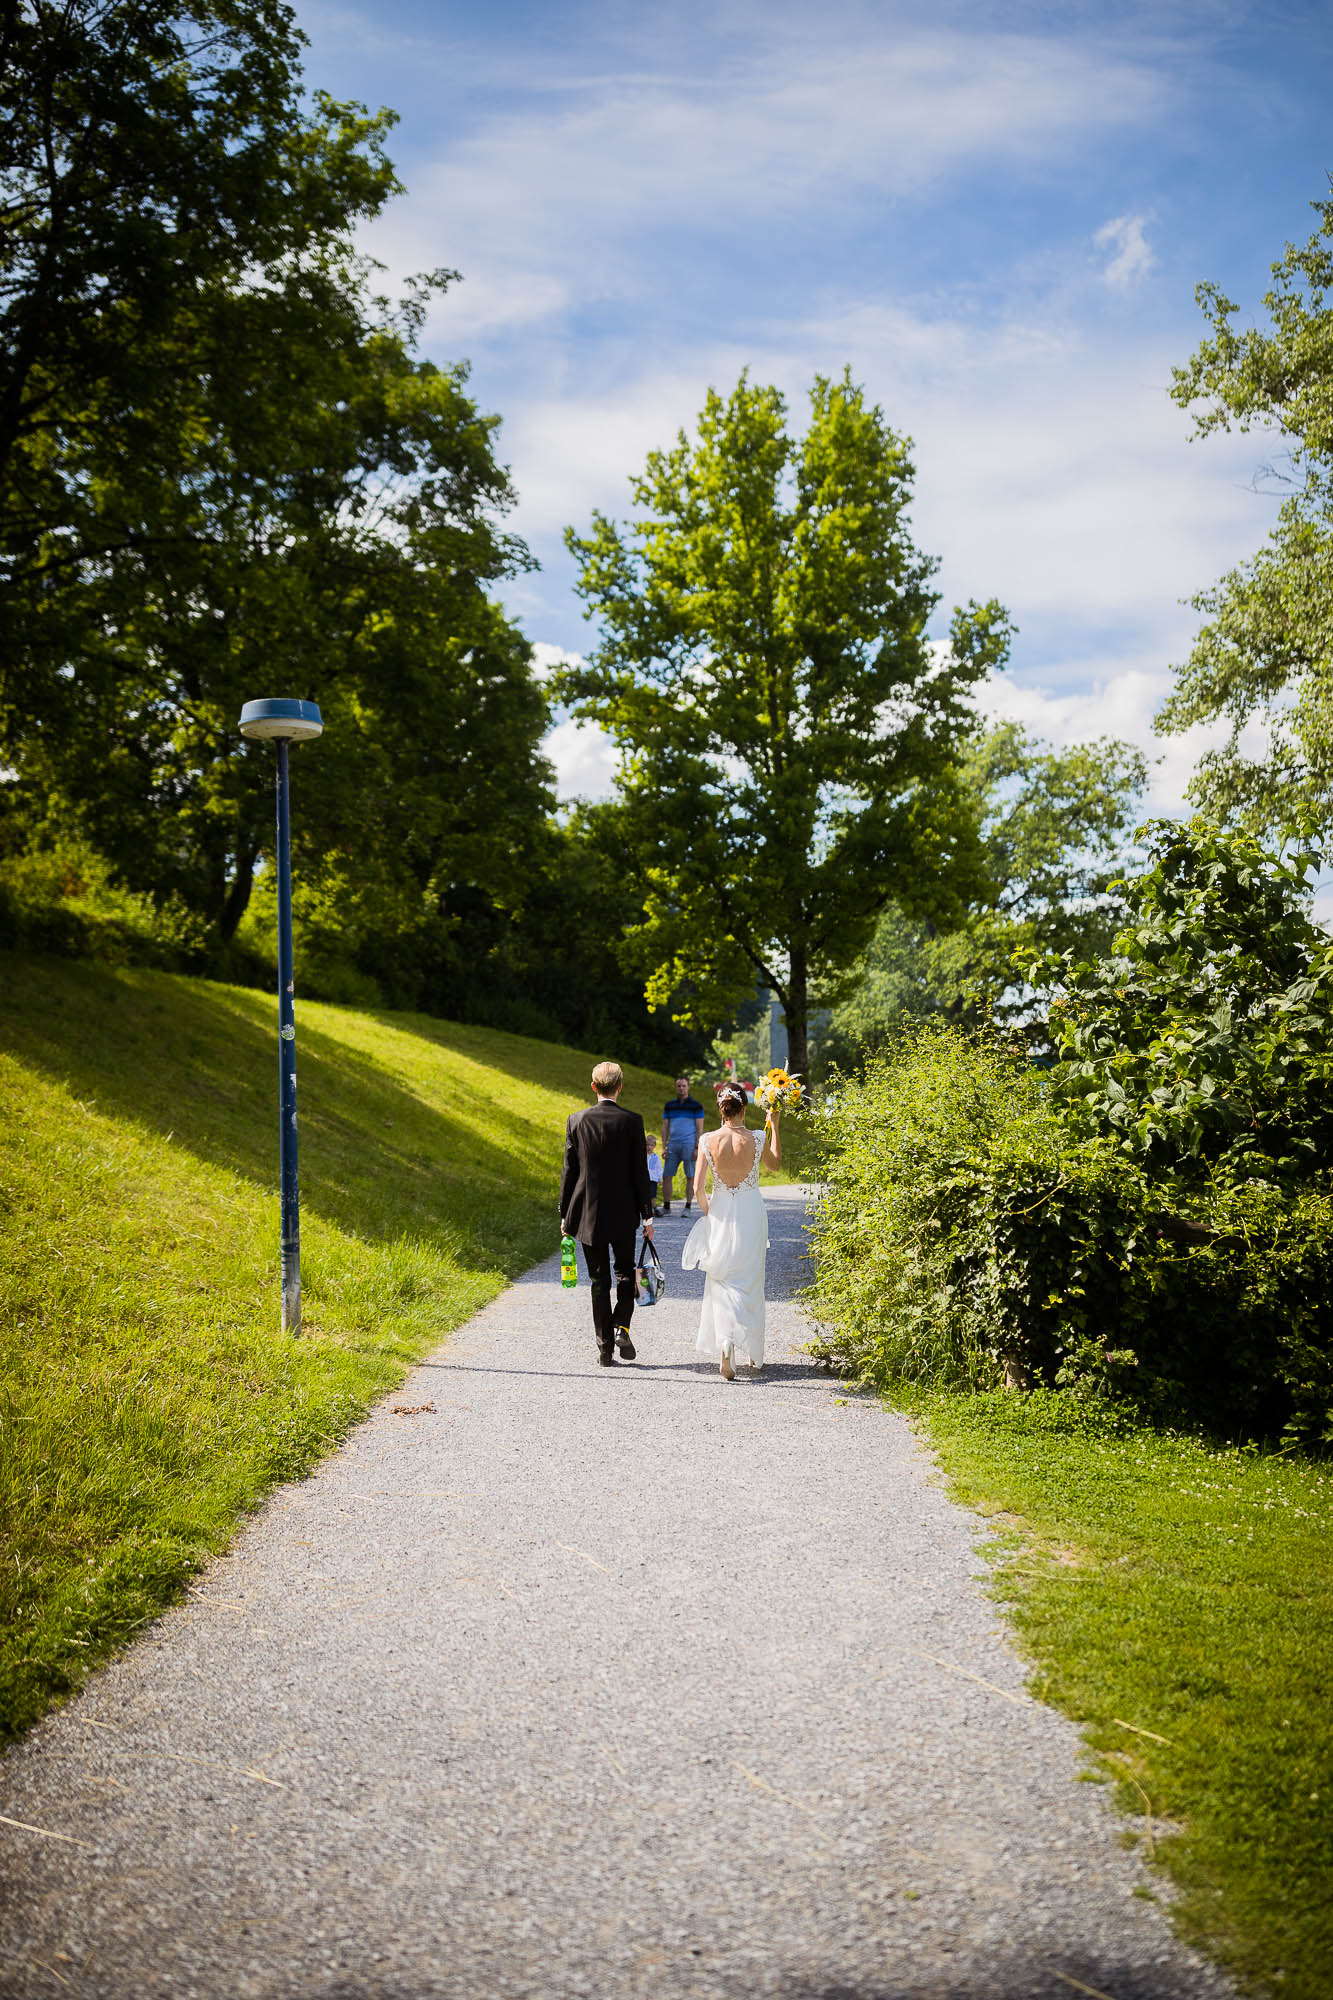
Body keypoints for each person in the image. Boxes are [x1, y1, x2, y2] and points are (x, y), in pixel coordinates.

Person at [559, 1061, 656, 1367]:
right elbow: (640, 1172)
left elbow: (569, 1171)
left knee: (599, 1281)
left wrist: (566, 1214)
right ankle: (622, 1326)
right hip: (624, 1212)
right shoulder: (632, 1121)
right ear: (620, 1087)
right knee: (626, 1273)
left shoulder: (576, 1121)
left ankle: (604, 1349)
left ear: (593, 1087)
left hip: (589, 1213)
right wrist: (647, 1216)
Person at [682, 1083, 782, 1379]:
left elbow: (698, 1187)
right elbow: (775, 1166)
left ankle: (726, 1344)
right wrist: (775, 1125)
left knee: (722, 1279)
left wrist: (708, 1213)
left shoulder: (707, 1140)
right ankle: (754, 1352)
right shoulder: (757, 1137)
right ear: (745, 1108)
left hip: (721, 1212)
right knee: (751, 1280)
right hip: (751, 1212)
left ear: (721, 1109)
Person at [660, 1075, 705, 1214]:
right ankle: (666, 1207)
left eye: (683, 1086)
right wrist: (663, 1146)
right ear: (676, 1087)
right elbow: (665, 1126)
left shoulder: (696, 1106)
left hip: (689, 1144)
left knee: (690, 1176)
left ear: (688, 1087)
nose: (681, 1088)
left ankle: (688, 1206)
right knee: (667, 1175)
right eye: (679, 1086)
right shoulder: (669, 1105)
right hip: (673, 1145)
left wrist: (697, 1147)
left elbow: (699, 1128)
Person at [645, 1131, 664, 1215]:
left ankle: (655, 1208)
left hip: (653, 1179)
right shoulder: (642, 1156)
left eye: (651, 1145)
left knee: (652, 1195)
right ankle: (646, 1210)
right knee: (644, 1195)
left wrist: (660, 1178)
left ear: (654, 1146)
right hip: (644, 1178)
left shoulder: (656, 1158)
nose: (649, 1147)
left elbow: (659, 1168)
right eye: (647, 1145)